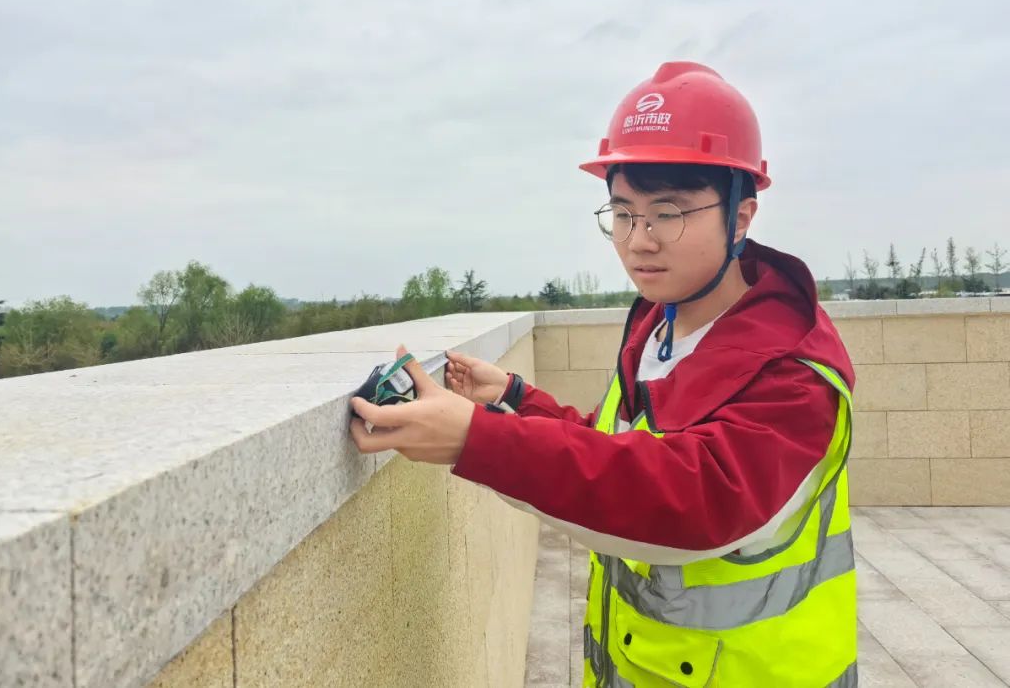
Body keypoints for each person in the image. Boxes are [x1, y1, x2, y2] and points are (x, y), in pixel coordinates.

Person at [350, 61, 857, 687]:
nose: (639, 240)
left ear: (741, 216)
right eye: (621, 214)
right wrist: (510, 399)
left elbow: (695, 502)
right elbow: (616, 449)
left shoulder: (794, 367)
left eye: (666, 213)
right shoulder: (658, 323)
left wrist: (474, 441)